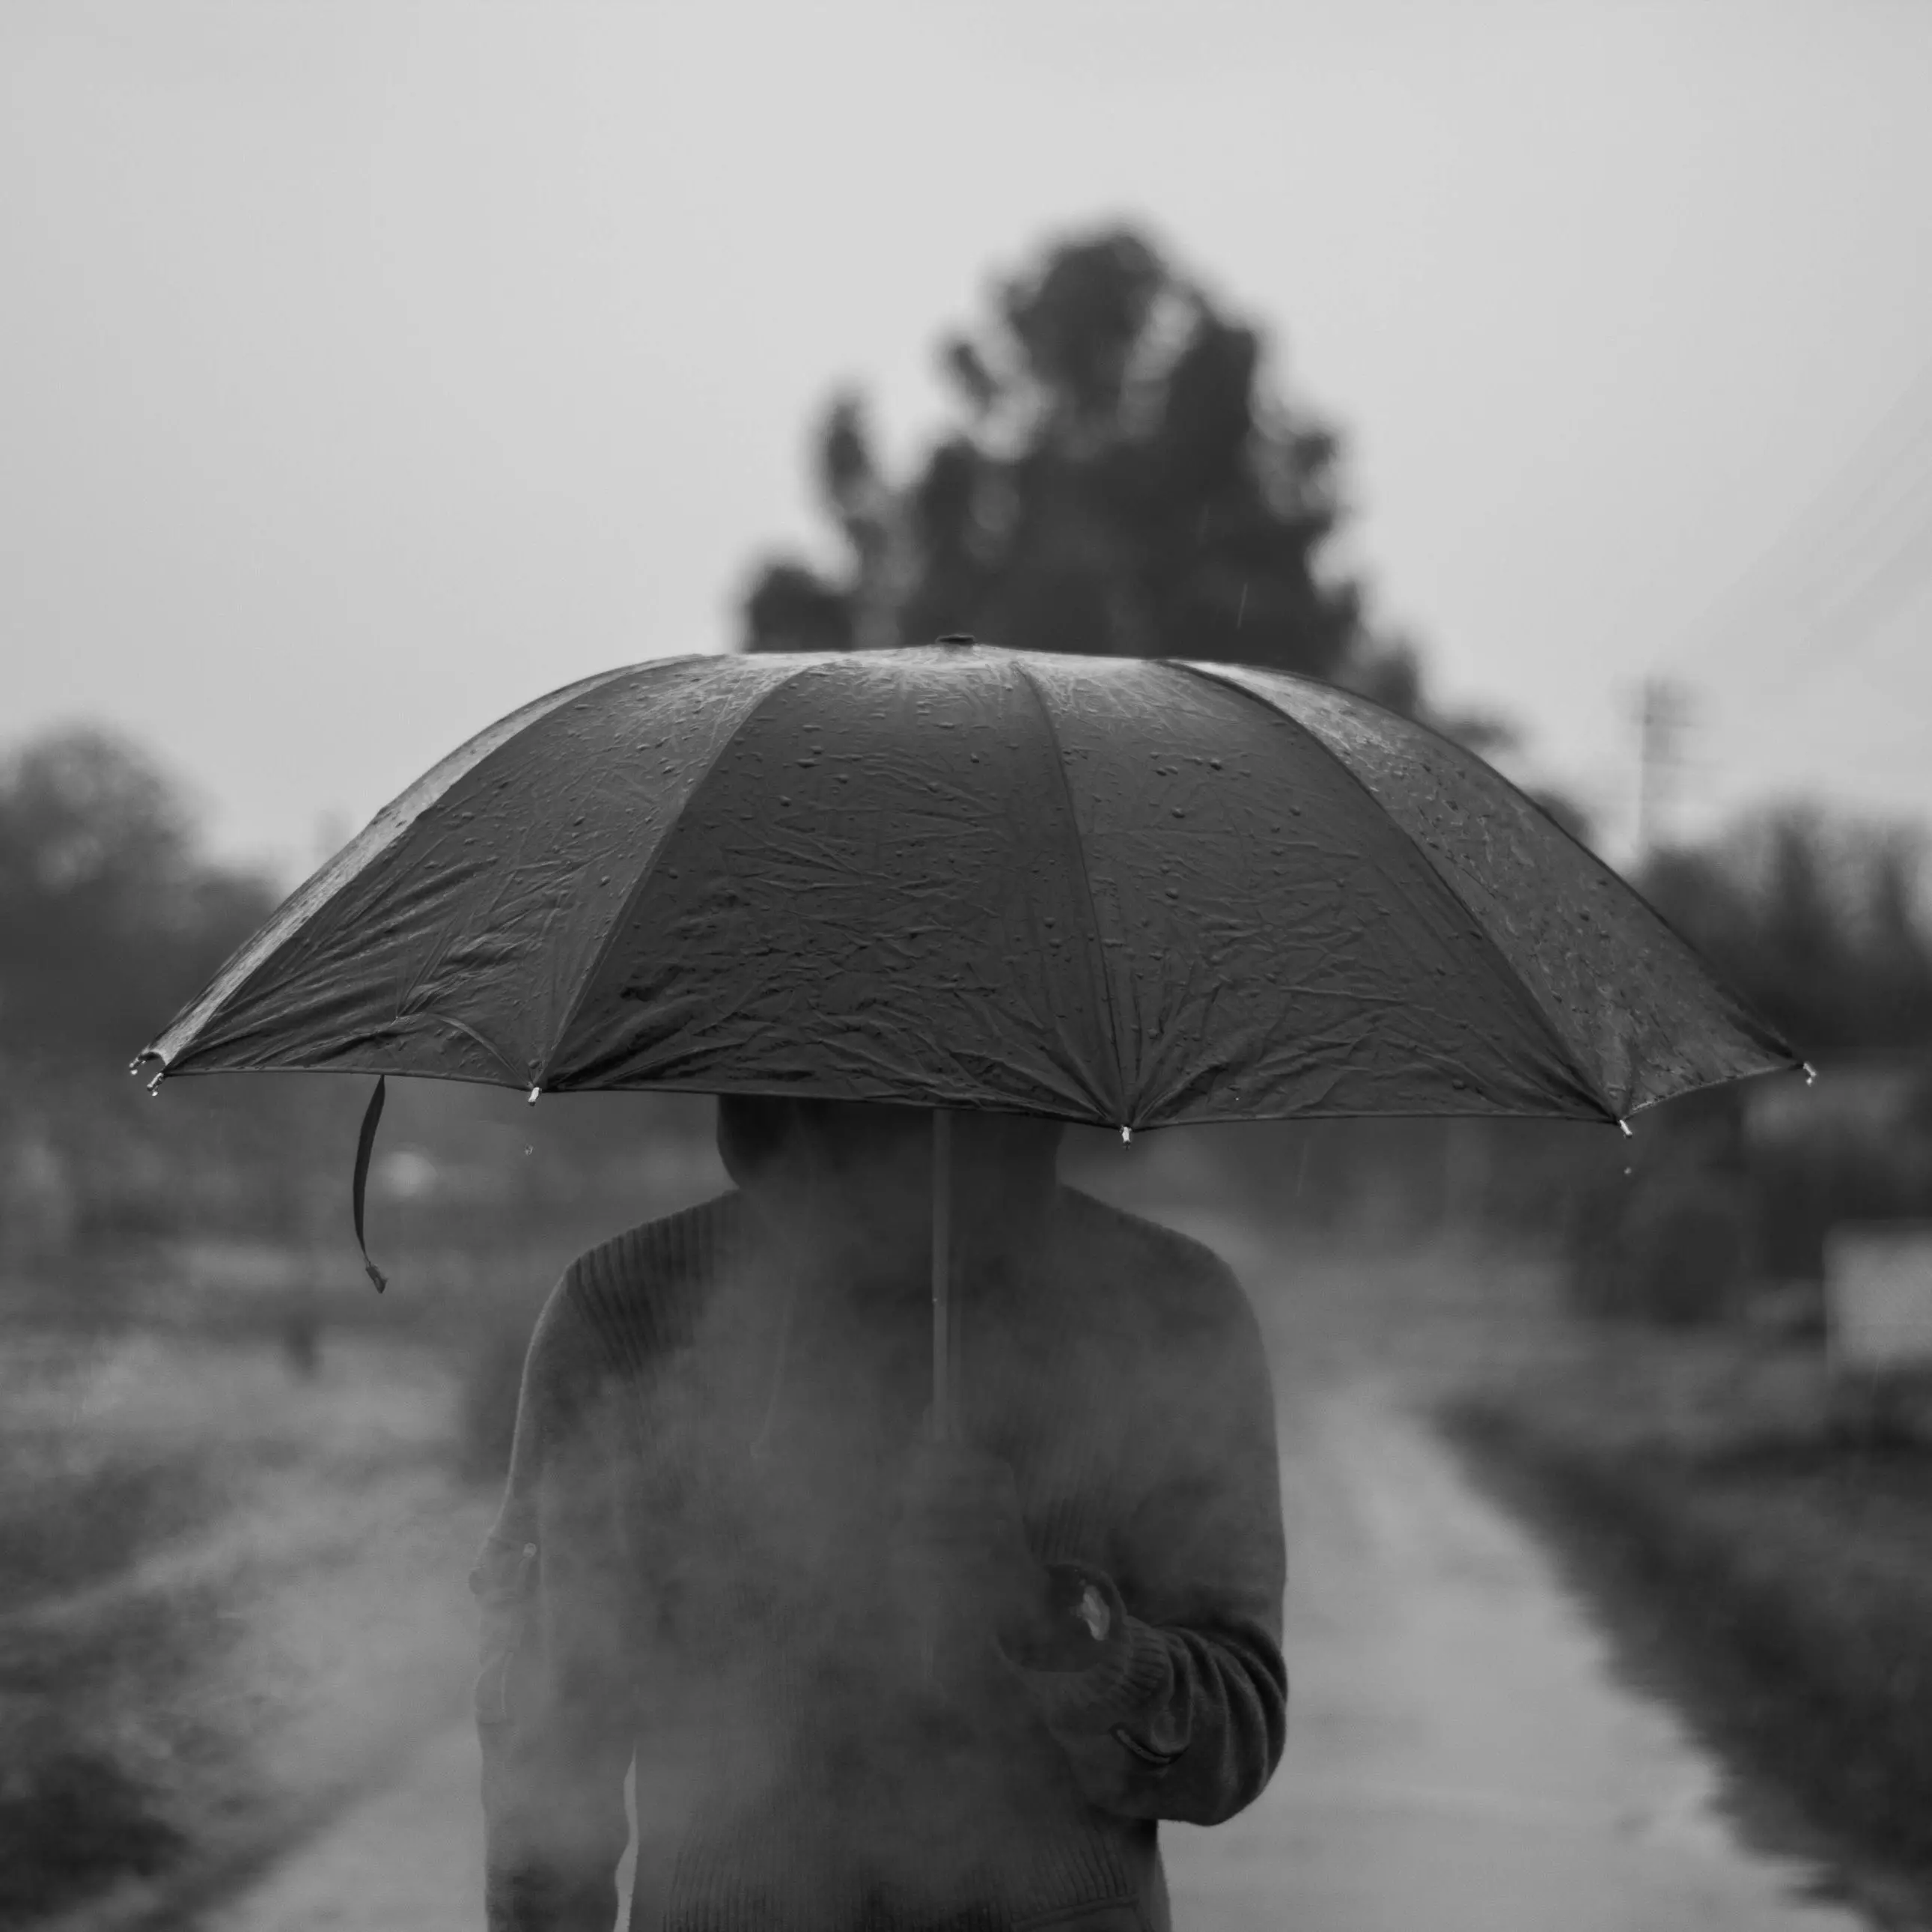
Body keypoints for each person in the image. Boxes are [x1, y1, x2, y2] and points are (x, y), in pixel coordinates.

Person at [472, 1097, 1286, 1932]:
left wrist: (1045, 1614)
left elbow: (1236, 1732)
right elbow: (551, 1745)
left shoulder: (1165, 1311)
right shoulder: (629, 1311)